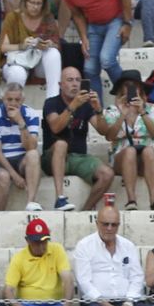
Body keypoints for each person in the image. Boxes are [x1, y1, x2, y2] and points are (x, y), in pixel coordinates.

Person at [73, 203, 150, 306]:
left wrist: (128, 303)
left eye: (114, 224)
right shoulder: (84, 245)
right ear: (97, 223)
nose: (109, 228)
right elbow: (84, 282)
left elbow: (137, 277)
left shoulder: (128, 245)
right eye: (105, 224)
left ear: (119, 225)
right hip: (96, 302)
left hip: (125, 300)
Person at [42, 66, 114, 212]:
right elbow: (56, 127)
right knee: (61, 144)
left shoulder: (86, 106)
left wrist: (99, 110)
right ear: (60, 85)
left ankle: (86, 210)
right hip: (52, 157)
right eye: (69, 80)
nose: (75, 84)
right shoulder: (51, 103)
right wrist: (73, 105)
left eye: (77, 80)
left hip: (78, 157)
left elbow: (104, 132)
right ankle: (60, 198)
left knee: (107, 174)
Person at [54, 0, 132, 91]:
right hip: (93, 26)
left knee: (106, 59)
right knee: (89, 69)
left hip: (115, 20)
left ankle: (128, 94)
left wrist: (127, 23)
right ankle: (97, 109)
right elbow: (77, 14)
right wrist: (83, 38)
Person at [100, 71, 154, 210]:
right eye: (127, 85)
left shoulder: (151, 108)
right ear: (121, 88)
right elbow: (109, 136)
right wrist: (122, 115)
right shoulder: (113, 110)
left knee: (150, 151)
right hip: (121, 157)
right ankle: (131, 200)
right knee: (129, 151)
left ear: (140, 89)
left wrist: (142, 112)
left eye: (134, 85)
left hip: (144, 158)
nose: (130, 88)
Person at [0, 0, 62, 106]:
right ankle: (14, 108)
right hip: (16, 61)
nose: (35, 7)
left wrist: (49, 44)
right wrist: (22, 45)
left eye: (39, 3)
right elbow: (3, 47)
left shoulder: (47, 18)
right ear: (25, 1)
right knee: (17, 73)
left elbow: (57, 44)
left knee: (53, 53)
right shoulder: (13, 17)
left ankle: (52, 103)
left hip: (37, 61)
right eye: (32, 3)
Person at [5, 217, 73, 306]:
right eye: (37, 242)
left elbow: (68, 280)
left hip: (55, 304)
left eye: (44, 241)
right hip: (28, 305)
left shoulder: (57, 249)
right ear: (27, 240)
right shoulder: (19, 257)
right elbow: (8, 289)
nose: (41, 246)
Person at [0, 81, 44, 210]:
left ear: (22, 100)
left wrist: (21, 123)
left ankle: (30, 203)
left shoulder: (31, 114)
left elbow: (31, 147)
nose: (13, 103)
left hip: (21, 157)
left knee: (33, 155)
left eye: (17, 100)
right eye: (9, 99)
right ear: (3, 99)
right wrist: (14, 175)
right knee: (3, 176)